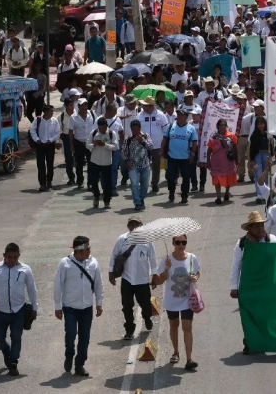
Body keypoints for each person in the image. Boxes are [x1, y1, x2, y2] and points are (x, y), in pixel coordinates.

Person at [0, 243, 38, 376]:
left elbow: (31, 288)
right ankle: (7, 351)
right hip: (1, 311)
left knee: (16, 337)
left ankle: (13, 363)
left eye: (15, 257)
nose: (12, 260)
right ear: (4, 256)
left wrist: (35, 307)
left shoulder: (25, 269)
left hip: (18, 311)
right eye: (9, 257)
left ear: (19, 256)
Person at [54, 236, 104, 376]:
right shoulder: (65, 264)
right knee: (70, 334)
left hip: (86, 307)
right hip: (70, 307)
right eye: (87, 248)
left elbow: (99, 284)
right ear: (79, 250)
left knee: (84, 338)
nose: (89, 250)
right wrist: (58, 306)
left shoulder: (93, 263)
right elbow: (58, 285)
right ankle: (69, 354)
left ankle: (79, 364)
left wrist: (99, 303)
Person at [230, 211, 276, 354]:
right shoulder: (242, 244)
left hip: (266, 283)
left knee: (265, 314)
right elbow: (236, 265)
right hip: (248, 284)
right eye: (256, 226)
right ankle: (249, 342)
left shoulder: (271, 239)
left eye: (261, 225)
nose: (260, 229)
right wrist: (234, 287)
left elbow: (275, 260)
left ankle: (264, 340)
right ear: (249, 228)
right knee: (248, 315)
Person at [109, 216, 160, 340]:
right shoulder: (122, 239)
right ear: (128, 226)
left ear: (141, 225)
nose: (134, 227)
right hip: (127, 279)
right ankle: (129, 329)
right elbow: (114, 255)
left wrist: (155, 275)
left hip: (142, 280)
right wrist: (111, 272)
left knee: (146, 305)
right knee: (127, 306)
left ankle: (147, 318)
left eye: (136, 224)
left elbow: (153, 258)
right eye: (131, 225)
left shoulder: (147, 240)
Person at [155, 234, 200, 371]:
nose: (181, 245)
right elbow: (158, 281)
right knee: (174, 326)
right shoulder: (167, 260)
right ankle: (175, 352)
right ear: (173, 243)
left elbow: (198, 272)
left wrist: (194, 277)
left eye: (184, 242)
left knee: (187, 328)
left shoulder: (192, 258)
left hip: (187, 300)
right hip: (172, 300)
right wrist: (167, 269)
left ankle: (189, 358)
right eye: (178, 242)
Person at [163, 107, 199, 204]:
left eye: (181, 115)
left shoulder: (191, 128)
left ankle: (184, 195)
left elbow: (194, 142)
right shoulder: (171, 126)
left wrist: (192, 154)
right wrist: (161, 152)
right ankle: (171, 192)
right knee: (170, 177)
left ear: (186, 117)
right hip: (171, 157)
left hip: (185, 158)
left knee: (186, 178)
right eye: (178, 115)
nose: (179, 117)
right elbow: (165, 139)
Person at [136, 97, 169, 195]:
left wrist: (165, 144)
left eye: (145, 105)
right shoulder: (139, 116)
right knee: (143, 166)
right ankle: (143, 185)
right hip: (143, 145)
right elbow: (136, 130)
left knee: (156, 166)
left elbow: (166, 130)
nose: (143, 106)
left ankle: (154, 184)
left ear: (150, 106)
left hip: (157, 145)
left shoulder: (161, 115)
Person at [86, 117, 119, 209]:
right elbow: (87, 145)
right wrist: (94, 144)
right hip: (95, 161)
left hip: (107, 162)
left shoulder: (112, 134)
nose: (102, 130)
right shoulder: (93, 133)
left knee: (107, 183)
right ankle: (96, 196)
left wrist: (105, 145)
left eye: (103, 128)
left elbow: (115, 147)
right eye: (100, 128)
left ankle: (107, 201)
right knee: (93, 181)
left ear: (106, 126)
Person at [122, 120, 153, 211]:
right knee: (134, 184)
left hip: (145, 165)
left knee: (145, 185)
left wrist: (142, 141)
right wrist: (127, 161)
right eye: (133, 129)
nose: (135, 131)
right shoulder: (128, 139)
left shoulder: (146, 136)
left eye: (136, 129)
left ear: (140, 128)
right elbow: (123, 152)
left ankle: (141, 198)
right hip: (133, 165)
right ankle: (137, 203)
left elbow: (151, 147)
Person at [31, 105, 60, 192]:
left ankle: (49, 181)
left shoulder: (54, 121)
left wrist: (50, 140)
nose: (52, 112)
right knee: (40, 165)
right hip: (40, 145)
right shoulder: (38, 120)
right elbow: (32, 130)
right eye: (51, 111)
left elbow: (57, 133)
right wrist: (37, 140)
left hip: (50, 145)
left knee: (50, 164)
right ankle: (42, 183)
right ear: (46, 112)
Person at [69, 99, 97, 189]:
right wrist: (71, 145)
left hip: (90, 142)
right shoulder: (73, 117)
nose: (84, 107)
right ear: (79, 107)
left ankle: (90, 182)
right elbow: (70, 131)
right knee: (79, 163)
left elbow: (97, 126)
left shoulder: (92, 114)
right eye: (82, 105)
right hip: (78, 142)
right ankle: (80, 181)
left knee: (91, 163)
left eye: (86, 105)